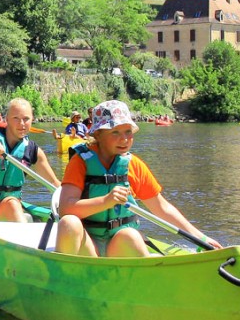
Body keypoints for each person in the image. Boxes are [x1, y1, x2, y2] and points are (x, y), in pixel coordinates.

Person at [55, 100, 222, 258]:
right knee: (68, 223)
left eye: (128, 131)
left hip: (119, 245)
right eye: (115, 132)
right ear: (98, 134)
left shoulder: (133, 165)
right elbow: (65, 209)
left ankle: (142, 278)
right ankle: (65, 278)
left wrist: (200, 238)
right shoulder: (80, 162)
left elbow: (161, 208)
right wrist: (106, 201)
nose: (124, 139)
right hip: (88, 245)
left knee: (131, 235)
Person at [0, 98, 61, 223]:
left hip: (6, 204)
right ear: (7, 119)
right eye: (16, 118)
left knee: (13, 204)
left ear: (32, 120)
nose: (22, 124)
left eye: (26, 119)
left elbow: (53, 182)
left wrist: (70, 199)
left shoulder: (33, 150)